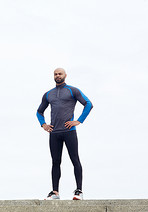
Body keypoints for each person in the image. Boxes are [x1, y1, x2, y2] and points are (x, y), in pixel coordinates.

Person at [36, 68, 93, 200]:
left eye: (60, 74)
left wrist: (78, 121)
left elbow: (88, 104)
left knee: (75, 159)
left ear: (65, 75)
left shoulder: (72, 90)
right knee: (55, 162)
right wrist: (43, 124)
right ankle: (55, 192)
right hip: (54, 133)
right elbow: (39, 111)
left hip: (69, 132)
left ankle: (79, 191)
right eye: (55, 74)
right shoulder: (48, 94)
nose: (57, 76)